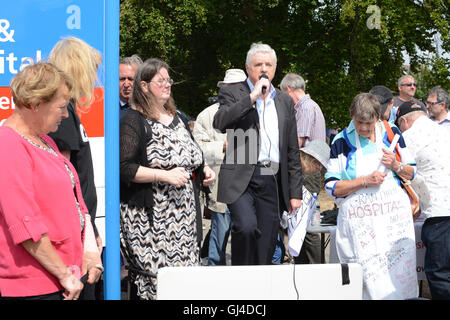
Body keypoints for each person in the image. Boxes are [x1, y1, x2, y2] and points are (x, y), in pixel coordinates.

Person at [0, 62, 102, 300]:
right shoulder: (8, 143)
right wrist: (64, 273)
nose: (66, 115)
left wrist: (88, 252)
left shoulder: (46, 141)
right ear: (36, 104)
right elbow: (24, 223)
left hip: (65, 277)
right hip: (35, 285)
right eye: (61, 107)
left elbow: (76, 200)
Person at [119, 58, 215, 299]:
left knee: (184, 287)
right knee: (157, 287)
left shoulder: (178, 118)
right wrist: (164, 175)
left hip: (184, 219)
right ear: (144, 86)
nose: (167, 84)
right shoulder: (134, 120)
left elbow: (193, 156)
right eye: (160, 81)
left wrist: (204, 170)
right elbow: (124, 168)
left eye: (168, 80)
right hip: (151, 222)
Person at [213, 42, 303, 266]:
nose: (264, 69)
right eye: (258, 65)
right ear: (247, 67)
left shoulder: (283, 100)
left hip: (271, 176)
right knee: (245, 227)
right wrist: (251, 98)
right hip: (241, 175)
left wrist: (295, 192)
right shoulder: (233, 93)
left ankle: (260, 285)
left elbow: (292, 148)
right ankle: (242, 282)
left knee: (266, 240)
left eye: (268, 65)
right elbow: (220, 122)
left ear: (275, 68)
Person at [325, 92, 418, 300]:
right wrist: (364, 181)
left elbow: (412, 172)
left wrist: (394, 165)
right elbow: (331, 187)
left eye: (369, 123)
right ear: (352, 117)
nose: (365, 128)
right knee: (364, 285)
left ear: (379, 118)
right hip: (361, 229)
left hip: (393, 225)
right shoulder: (341, 142)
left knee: (398, 284)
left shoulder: (392, 133)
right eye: (360, 123)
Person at [47, 37, 103, 300]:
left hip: (78, 230)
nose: (94, 79)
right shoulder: (64, 113)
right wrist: (86, 239)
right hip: (73, 237)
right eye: (92, 70)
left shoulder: (66, 110)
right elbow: (63, 183)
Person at [395, 101, 450, 300]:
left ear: (404, 121)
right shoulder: (444, 130)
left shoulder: (409, 137)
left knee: (440, 275)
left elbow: (401, 172)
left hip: (440, 213)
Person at [193, 68, 247, 266]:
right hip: (220, 181)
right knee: (220, 229)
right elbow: (197, 148)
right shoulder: (207, 116)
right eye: (232, 88)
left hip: (248, 183)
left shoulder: (255, 110)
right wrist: (224, 146)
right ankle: (216, 270)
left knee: (246, 229)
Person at [280, 72, 326, 264]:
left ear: (289, 89)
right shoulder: (309, 106)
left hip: (306, 171)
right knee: (302, 222)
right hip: (308, 170)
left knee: (305, 224)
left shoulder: (305, 108)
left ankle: (314, 268)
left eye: (283, 93)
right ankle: (304, 265)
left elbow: (296, 142)